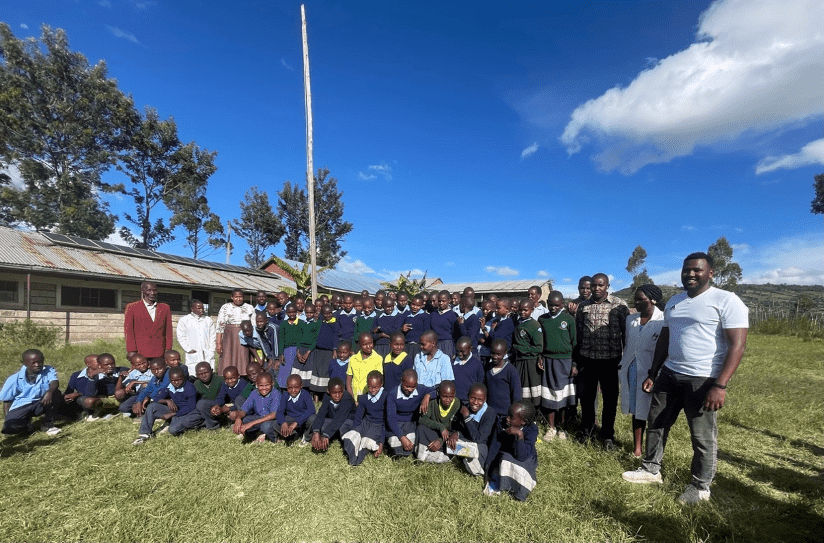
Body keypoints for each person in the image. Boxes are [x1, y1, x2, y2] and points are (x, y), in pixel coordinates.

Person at [623, 253, 748, 504]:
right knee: (656, 423)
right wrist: (653, 372)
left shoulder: (727, 301)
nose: (690, 274)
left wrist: (720, 385)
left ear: (710, 273)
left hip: (703, 379)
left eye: (697, 270)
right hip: (669, 373)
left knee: (701, 436)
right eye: (686, 270)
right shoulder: (675, 302)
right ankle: (650, 470)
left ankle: (700, 487)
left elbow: (738, 346)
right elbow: (666, 339)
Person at [575, 272, 629, 449]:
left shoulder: (619, 306)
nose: (596, 289)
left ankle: (607, 435)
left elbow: (626, 333)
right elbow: (580, 334)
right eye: (594, 286)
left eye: (600, 285)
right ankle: (587, 430)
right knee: (587, 399)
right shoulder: (583, 306)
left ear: (607, 286)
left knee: (610, 400)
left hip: (610, 361)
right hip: (588, 361)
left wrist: (625, 358)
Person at [618, 285, 666, 458]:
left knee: (653, 411)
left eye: (640, 299)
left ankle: (652, 451)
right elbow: (628, 343)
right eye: (635, 299)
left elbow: (664, 350)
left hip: (652, 372)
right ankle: (637, 448)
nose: (636, 302)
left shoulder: (663, 320)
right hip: (632, 369)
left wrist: (654, 373)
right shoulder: (631, 320)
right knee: (637, 410)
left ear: (653, 300)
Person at [537, 291, 577, 441]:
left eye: (556, 305)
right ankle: (551, 428)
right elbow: (540, 341)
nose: (553, 308)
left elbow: (575, 343)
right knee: (549, 396)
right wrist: (540, 356)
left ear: (562, 305)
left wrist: (574, 363)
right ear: (546, 303)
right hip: (548, 361)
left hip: (565, 362)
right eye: (550, 304)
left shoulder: (568, 319)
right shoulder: (542, 319)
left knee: (563, 398)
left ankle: (563, 428)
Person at [484, 400, 539, 501]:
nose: (507, 419)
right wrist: (488, 470)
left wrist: (519, 435)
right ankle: (500, 484)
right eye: (508, 414)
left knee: (521, 468)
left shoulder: (532, 429)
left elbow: (522, 456)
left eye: (511, 417)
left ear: (523, 422)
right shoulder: (501, 424)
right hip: (507, 456)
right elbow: (494, 448)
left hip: (526, 457)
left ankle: (518, 492)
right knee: (504, 458)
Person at [132, 367, 203, 445]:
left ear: (184, 377)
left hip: (186, 412)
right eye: (173, 380)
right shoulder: (169, 386)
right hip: (175, 409)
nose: (176, 383)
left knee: (173, 430)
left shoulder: (190, 387)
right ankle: (144, 434)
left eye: (179, 380)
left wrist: (172, 414)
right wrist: (167, 401)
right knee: (152, 406)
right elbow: (156, 398)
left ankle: (195, 424)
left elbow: (191, 406)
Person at [1, 349, 62, 435]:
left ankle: (47, 424)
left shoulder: (48, 370)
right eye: (33, 363)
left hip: (40, 403)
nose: (37, 365)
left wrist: (50, 391)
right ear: (25, 363)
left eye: (40, 362)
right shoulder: (14, 379)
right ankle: (26, 424)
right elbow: (7, 401)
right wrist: (7, 420)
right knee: (10, 429)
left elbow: (54, 382)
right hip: (22, 406)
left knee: (56, 393)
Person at [342, 370, 387, 466]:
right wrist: (356, 431)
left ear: (381, 384)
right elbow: (358, 417)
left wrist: (381, 443)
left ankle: (357, 460)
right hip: (365, 423)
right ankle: (352, 457)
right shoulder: (363, 398)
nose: (373, 390)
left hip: (378, 426)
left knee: (366, 441)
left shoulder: (386, 398)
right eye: (370, 387)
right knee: (351, 437)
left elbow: (385, 422)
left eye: (376, 387)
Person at [452, 383, 497, 477]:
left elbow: (479, 438)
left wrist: (467, 417)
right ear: (468, 396)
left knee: (469, 449)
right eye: (473, 398)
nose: (475, 402)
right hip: (468, 442)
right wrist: (457, 434)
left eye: (480, 400)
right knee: (450, 441)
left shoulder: (490, 413)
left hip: (481, 449)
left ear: (485, 400)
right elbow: (462, 431)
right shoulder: (465, 408)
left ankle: (477, 471)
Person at [386, 369, 433, 457]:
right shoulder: (392, 394)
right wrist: (402, 437)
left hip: (411, 424)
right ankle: (398, 453)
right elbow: (391, 419)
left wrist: (428, 396)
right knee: (394, 441)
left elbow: (436, 390)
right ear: (401, 381)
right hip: (396, 423)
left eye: (413, 387)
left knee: (412, 440)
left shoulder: (420, 389)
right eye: (407, 386)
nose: (410, 389)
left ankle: (406, 452)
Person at [124, 281, 172, 361]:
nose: (152, 293)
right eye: (149, 290)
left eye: (155, 290)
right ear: (142, 291)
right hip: (141, 352)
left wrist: (168, 349)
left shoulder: (164, 308)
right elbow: (129, 331)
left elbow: (168, 330)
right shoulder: (132, 307)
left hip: (160, 351)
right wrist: (131, 350)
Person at [415, 380, 459, 463]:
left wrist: (441, 441)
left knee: (455, 439)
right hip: (434, 433)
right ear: (438, 394)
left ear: (454, 395)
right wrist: (440, 426)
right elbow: (421, 419)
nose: (448, 400)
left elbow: (456, 430)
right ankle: (421, 458)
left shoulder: (458, 405)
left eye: (451, 397)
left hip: (448, 438)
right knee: (421, 429)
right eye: (444, 396)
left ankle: (442, 456)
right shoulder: (432, 402)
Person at [308, 377, 356, 452]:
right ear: (328, 391)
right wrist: (316, 431)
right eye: (334, 393)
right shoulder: (327, 396)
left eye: (340, 392)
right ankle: (314, 438)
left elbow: (339, 419)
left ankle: (345, 444)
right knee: (314, 419)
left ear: (343, 390)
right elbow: (321, 414)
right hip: (333, 421)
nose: (337, 395)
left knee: (343, 427)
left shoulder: (347, 398)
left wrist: (326, 435)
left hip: (347, 422)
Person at [232, 371, 281, 443]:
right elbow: (244, 410)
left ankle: (275, 438)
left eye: (267, 385)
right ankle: (256, 434)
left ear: (272, 384)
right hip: (260, 418)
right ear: (256, 385)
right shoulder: (254, 393)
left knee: (266, 426)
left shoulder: (276, 393)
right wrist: (238, 419)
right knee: (245, 420)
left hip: (273, 420)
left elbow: (273, 415)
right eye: (261, 386)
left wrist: (251, 424)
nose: (264, 388)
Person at [216, 288, 256, 375]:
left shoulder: (249, 307)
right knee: (228, 356)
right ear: (232, 297)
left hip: (244, 336)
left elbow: (254, 324)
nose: (238, 299)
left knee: (243, 357)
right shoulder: (225, 307)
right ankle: (229, 375)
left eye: (240, 297)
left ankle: (243, 375)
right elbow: (220, 325)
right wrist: (218, 343)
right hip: (229, 337)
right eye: (236, 297)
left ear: (243, 297)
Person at [512, 299, 543, 408]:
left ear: (532, 310)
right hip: (519, 361)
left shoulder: (534, 325)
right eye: (520, 310)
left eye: (525, 310)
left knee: (531, 388)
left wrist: (520, 348)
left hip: (530, 362)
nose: (522, 312)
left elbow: (538, 347)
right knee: (521, 388)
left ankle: (533, 414)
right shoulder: (517, 322)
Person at [485, 339, 521, 422]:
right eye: (493, 353)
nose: (494, 356)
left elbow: (516, 395)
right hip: (490, 412)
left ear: (505, 353)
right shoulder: (488, 368)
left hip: (504, 414)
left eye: (498, 354)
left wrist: (513, 414)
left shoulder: (511, 371)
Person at [176, 300, 216, 374]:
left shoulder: (208, 320)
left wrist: (211, 349)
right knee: (193, 373)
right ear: (192, 309)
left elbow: (212, 336)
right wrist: (188, 349)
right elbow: (181, 336)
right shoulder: (185, 320)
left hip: (207, 351)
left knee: (208, 372)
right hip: (193, 352)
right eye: (198, 308)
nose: (201, 310)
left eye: (202, 308)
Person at [308, 305, 341, 396]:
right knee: (317, 371)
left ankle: (325, 394)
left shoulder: (335, 323)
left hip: (329, 351)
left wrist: (334, 350)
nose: (328, 315)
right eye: (325, 314)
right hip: (319, 351)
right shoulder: (320, 322)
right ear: (322, 314)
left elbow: (336, 337)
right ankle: (316, 394)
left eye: (330, 313)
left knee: (326, 372)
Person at [275, 375, 316, 445]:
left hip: (304, 418)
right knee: (275, 424)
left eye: (296, 387)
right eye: (290, 388)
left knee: (313, 418)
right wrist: (283, 422)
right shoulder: (285, 395)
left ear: (301, 386)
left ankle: (306, 437)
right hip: (291, 418)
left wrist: (296, 422)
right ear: (286, 386)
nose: (293, 390)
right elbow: (279, 411)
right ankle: (293, 434)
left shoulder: (305, 394)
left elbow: (311, 410)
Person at [346, 332, 383, 398]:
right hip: (354, 396)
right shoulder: (353, 359)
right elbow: (348, 381)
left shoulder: (378, 359)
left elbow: (378, 381)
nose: (368, 346)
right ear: (360, 345)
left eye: (370, 343)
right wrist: (352, 398)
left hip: (370, 397)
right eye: (365, 344)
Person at [276, 305, 303, 389]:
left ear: (297, 312)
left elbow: (301, 338)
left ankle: (296, 388)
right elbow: (281, 339)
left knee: (296, 371)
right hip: (287, 351)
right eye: (289, 312)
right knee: (285, 371)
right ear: (287, 313)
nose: (292, 314)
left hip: (298, 350)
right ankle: (284, 389)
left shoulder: (301, 323)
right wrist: (281, 353)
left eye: (293, 312)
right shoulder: (284, 324)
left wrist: (299, 350)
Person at [452, 336, 484, 405]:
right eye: (458, 351)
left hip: (469, 402)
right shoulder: (452, 363)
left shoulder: (477, 364)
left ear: (470, 349)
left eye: (462, 351)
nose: (460, 354)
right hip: (453, 401)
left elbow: (480, 384)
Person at [430, 291, 458, 358]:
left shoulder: (453, 315)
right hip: (434, 344)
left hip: (447, 345)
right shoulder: (433, 314)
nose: (441, 303)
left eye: (443, 301)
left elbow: (455, 334)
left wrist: (454, 349)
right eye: (439, 301)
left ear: (449, 301)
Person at [402, 294, 431, 359]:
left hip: (418, 346)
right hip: (407, 345)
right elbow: (401, 330)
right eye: (413, 304)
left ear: (422, 306)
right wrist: (402, 329)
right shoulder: (406, 315)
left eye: (418, 305)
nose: (415, 307)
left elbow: (426, 332)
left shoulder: (425, 316)